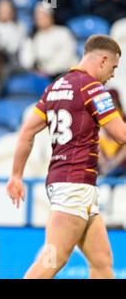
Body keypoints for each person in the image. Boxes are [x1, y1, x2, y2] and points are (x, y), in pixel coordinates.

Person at [7, 35, 126, 279]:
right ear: (103, 60)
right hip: (74, 186)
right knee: (52, 260)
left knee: (102, 261)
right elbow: (121, 135)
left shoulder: (54, 88)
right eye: (113, 67)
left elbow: (26, 133)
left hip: (70, 184)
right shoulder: (94, 89)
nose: (113, 75)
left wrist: (16, 175)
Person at [19, 2, 78, 79]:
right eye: (37, 16)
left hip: (65, 74)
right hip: (40, 76)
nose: (40, 19)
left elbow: (66, 56)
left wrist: (48, 70)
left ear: (51, 16)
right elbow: (26, 59)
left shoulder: (63, 33)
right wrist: (34, 70)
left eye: (43, 15)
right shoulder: (32, 36)